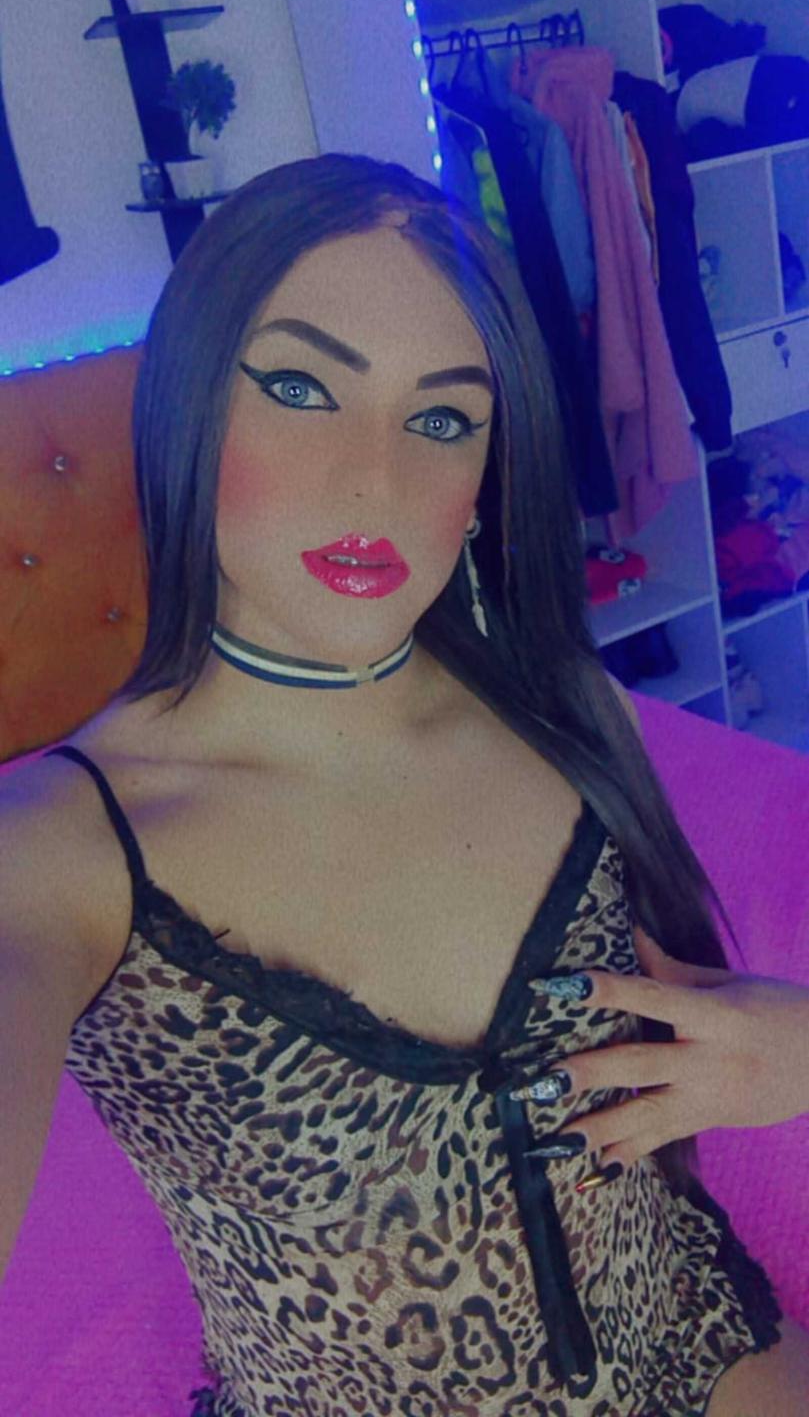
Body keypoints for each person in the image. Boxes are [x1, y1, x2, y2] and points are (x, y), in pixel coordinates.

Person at [3, 154, 808, 1414]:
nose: (372, 478)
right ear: (187, 407)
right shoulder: (66, 850)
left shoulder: (560, 700)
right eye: (298, 389)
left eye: (440, 419)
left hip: (699, 1343)